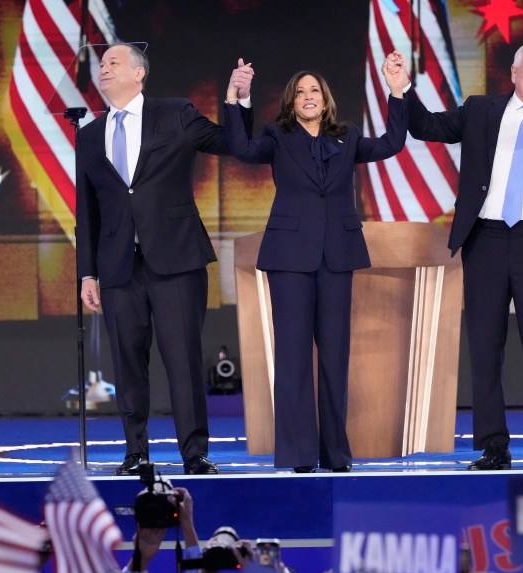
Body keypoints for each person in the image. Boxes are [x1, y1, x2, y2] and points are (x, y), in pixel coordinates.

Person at [386, 43, 523, 471]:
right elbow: (427, 126)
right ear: (514, 74)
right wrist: (402, 90)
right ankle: (494, 447)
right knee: (485, 346)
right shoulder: (481, 109)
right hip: (485, 238)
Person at [223, 56, 409, 473]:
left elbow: (391, 145)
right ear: (292, 103)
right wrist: (237, 99)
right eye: (301, 92)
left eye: (315, 92)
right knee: (292, 357)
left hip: (337, 256)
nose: (308, 97)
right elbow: (241, 148)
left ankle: (334, 453)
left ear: (326, 102)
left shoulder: (348, 136)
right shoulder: (277, 136)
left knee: (334, 356)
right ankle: (297, 454)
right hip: (289, 258)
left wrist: (397, 91)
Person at [75, 43, 254, 475]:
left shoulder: (174, 113)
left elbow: (231, 142)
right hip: (119, 267)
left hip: (175, 258)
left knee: (183, 359)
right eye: (101, 65)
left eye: (113, 62)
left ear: (139, 74)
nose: (104, 69)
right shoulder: (88, 135)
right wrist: (87, 273)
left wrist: (237, 99)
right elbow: (88, 211)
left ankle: (195, 453)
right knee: (128, 363)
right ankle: (135, 452)